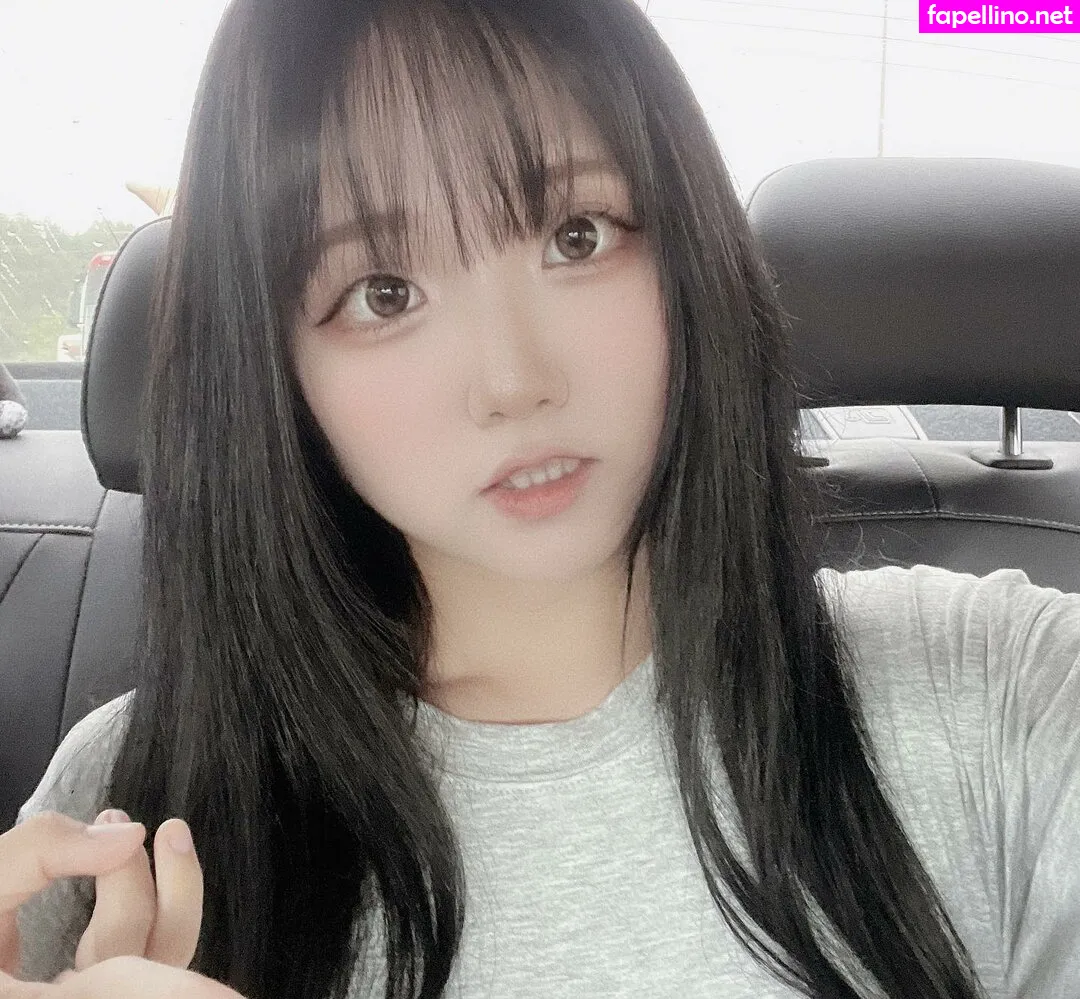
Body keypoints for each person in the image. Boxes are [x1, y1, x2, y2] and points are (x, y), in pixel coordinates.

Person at [6, 0, 1079, 996]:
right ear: (277, 373)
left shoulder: (1008, 694)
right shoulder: (126, 810)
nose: (514, 380)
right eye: (385, 293)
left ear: (688, 248)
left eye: (578, 236)